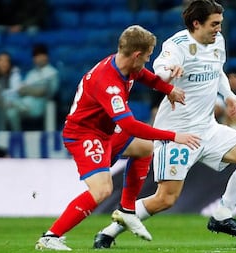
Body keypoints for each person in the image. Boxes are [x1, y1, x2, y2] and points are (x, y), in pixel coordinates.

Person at [93, 0, 236, 248]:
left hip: (208, 128)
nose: (219, 29)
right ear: (196, 24)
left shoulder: (217, 41)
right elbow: (159, 69)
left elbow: (218, 71)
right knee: (165, 199)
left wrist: (228, 95)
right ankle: (107, 233)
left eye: (220, 23)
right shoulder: (177, 45)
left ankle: (222, 215)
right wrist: (169, 72)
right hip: (177, 134)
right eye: (214, 24)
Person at [35, 25, 201, 251]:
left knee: (144, 148)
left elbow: (144, 76)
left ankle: (126, 210)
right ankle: (50, 237)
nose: (148, 60)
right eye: (148, 56)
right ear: (136, 54)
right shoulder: (108, 82)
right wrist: (173, 136)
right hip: (84, 134)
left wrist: (167, 89)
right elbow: (129, 125)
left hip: (106, 131)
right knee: (102, 190)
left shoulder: (125, 65)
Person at [5, 44, 59, 130]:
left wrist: (29, 90)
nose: (39, 58)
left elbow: (46, 91)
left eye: (41, 55)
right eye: (36, 56)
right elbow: (21, 90)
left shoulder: (52, 72)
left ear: (46, 56)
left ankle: (17, 138)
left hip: (41, 106)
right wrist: (31, 90)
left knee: (11, 110)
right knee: (8, 111)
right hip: (24, 104)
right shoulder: (31, 73)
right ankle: (16, 138)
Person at [0, 52, 22, 131]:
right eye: (1, 61)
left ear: (10, 63)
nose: (4, 63)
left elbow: (15, 91)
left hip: (12, 104)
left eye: (6, 61)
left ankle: (17, 138)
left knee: (12, 113)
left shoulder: (15, 72)